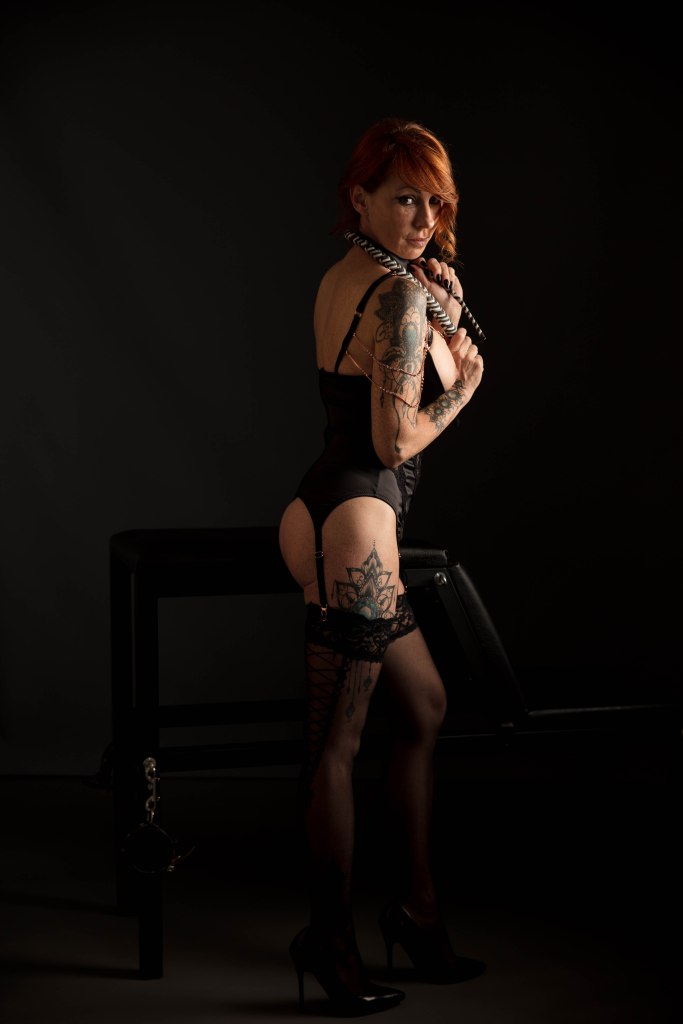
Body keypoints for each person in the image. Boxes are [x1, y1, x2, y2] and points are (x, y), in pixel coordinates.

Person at [278, 117, 486, 1016]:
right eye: (404, 198)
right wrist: (466, 388)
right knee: (336, 747)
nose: (423, 218)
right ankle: (329, 942)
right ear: (358, 198)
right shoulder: (396, 293)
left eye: (434, 201)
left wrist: (445, 309)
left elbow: (385, 367)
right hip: (358, 521)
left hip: (329, 507)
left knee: (424, 704)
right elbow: (394, 437)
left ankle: (415, 911)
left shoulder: (353, 274)